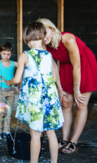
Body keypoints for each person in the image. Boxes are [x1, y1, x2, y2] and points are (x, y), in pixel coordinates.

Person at [6, 22, 64, 163]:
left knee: (36, 134)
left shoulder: (26, 55)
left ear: (27, 38)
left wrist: (9, 82)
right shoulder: (48, 55)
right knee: (51, 132)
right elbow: (50, 76)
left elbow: (17, 79)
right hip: (49, 99)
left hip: (35, 101)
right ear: (42, 36)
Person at [37, 18, 97, 154]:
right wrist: (59, 88)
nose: (43, 37)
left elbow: (77, 65)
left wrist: (76, 89)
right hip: (65, 67)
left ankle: (74, 142)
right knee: (65, 102)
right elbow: (54, 67)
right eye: (39, 34)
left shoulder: (67, 39)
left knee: (81, 104)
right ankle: (64, 139)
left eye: (45, 32)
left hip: (83, 65)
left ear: (52, 29)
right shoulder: (45, 45)